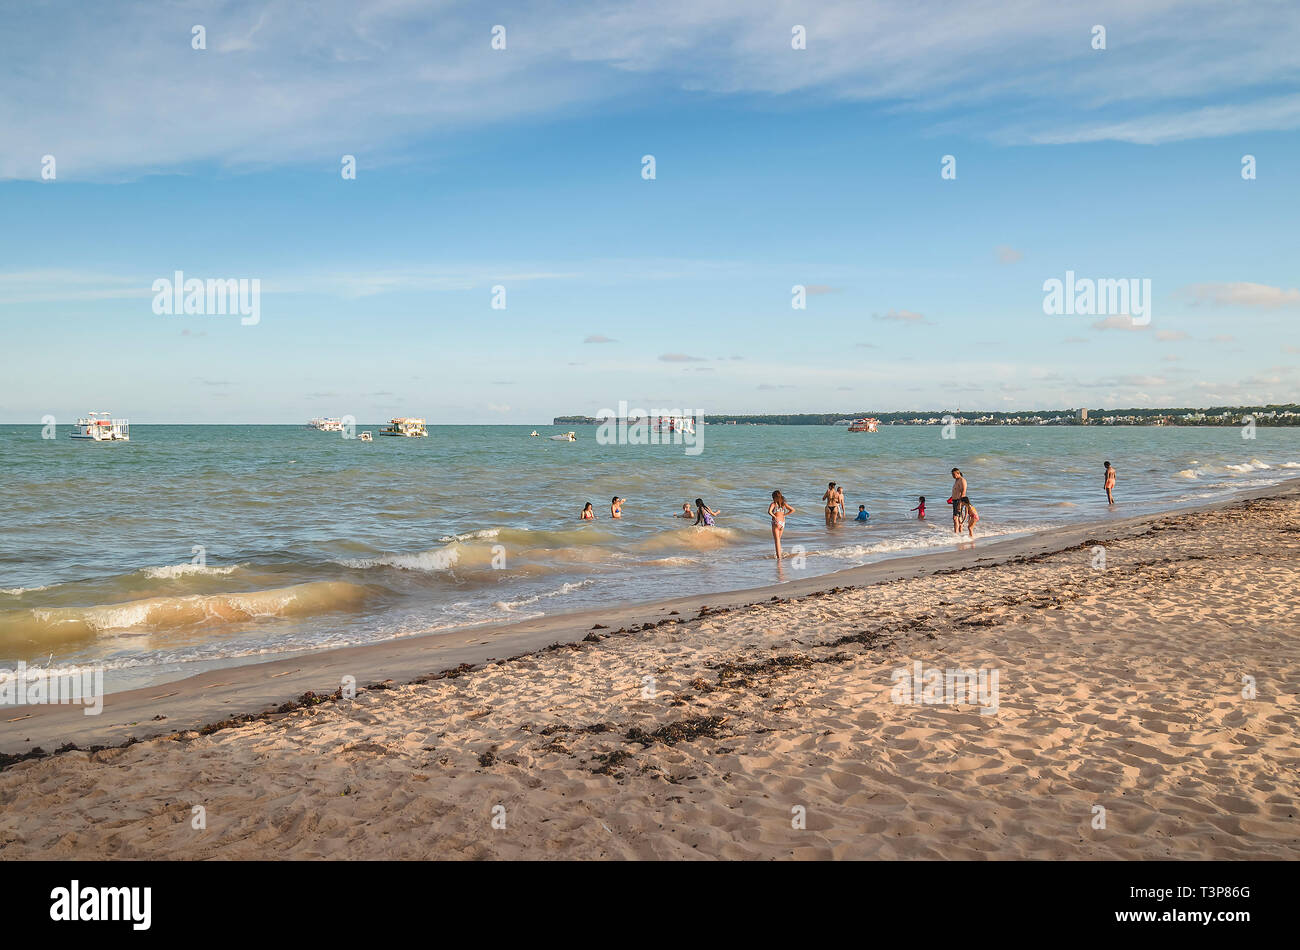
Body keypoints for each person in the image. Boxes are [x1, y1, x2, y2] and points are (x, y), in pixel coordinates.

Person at [768, 490, 795, 559]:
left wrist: (774, 516)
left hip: (776, 522)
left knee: (777, 541)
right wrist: (784, 515)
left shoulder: (773, 504)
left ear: (774, 497)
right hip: (783, 523)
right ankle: (779, 554)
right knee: (778, 540)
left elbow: (769, 512)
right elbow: (793, 510)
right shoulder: (783, 504)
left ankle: (779, 557)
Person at [950, 468, 968, 534]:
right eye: (952, 474)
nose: (953, 476)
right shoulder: (957, 480)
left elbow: (963, 492)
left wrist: (960, 504)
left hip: (958, 501)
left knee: (955, 518)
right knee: (958, 517)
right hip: (955, 501)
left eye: (954, 474)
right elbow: (956, 491)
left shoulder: (962, 480)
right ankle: (960, 533)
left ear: (958, 473)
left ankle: (956, 534)